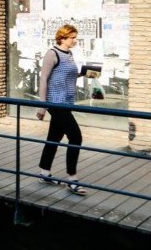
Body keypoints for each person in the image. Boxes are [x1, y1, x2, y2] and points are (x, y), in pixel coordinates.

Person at [35, 24, 99, 196]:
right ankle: (72, 178)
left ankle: (44, 173)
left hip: (67, 102)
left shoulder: (69, 54)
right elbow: (43, 79)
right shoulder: (52, 54)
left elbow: (65, 74)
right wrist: (42, 106)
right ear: (62, 38)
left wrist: (84, 73)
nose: (75, 40)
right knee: (76, 137)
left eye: (75, 37)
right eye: (72, 38)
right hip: (56, 103)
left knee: (54, 137)